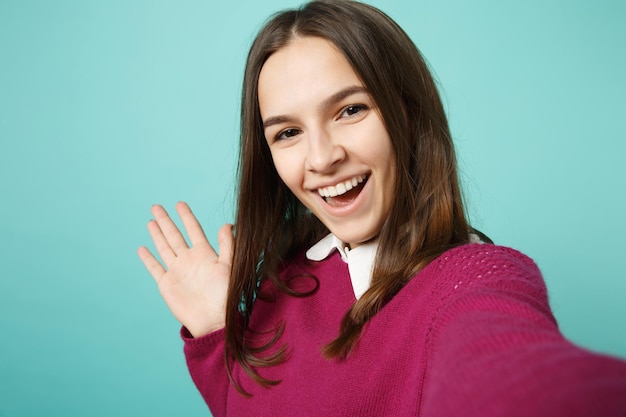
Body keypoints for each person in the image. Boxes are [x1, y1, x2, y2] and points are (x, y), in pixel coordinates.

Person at [137, 1, 626, 416]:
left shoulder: (475, 278)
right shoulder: (281, 283)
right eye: (288, 133)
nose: (323, 157)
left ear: (406, 114)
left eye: (350, 110)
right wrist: (219, 336)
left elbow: (515, 376)